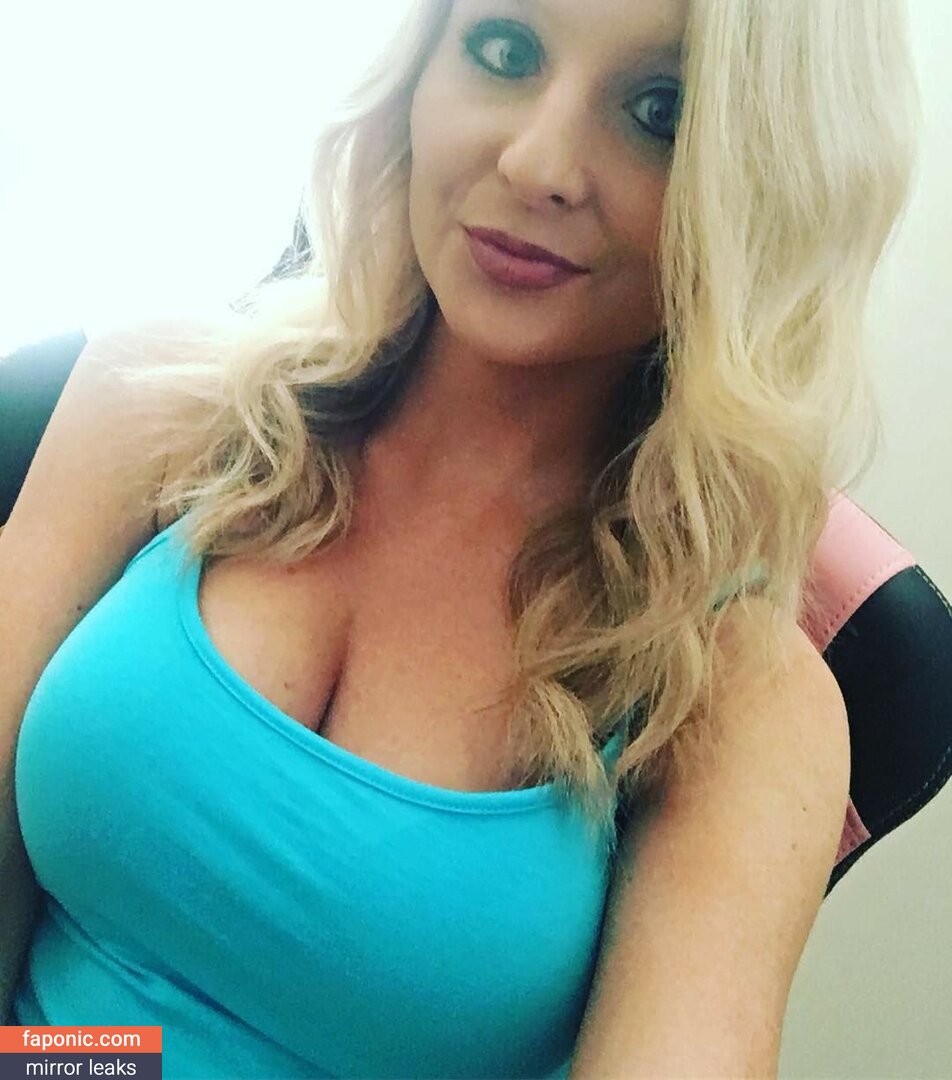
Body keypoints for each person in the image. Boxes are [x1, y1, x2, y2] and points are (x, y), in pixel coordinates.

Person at [0, 0, 919, 1076]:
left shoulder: (739, 698)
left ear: (769, 188)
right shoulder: (158, 400)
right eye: (505, 49)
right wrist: (64, 1059)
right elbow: (78, 1039)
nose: (536, 163)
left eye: (660, 111)